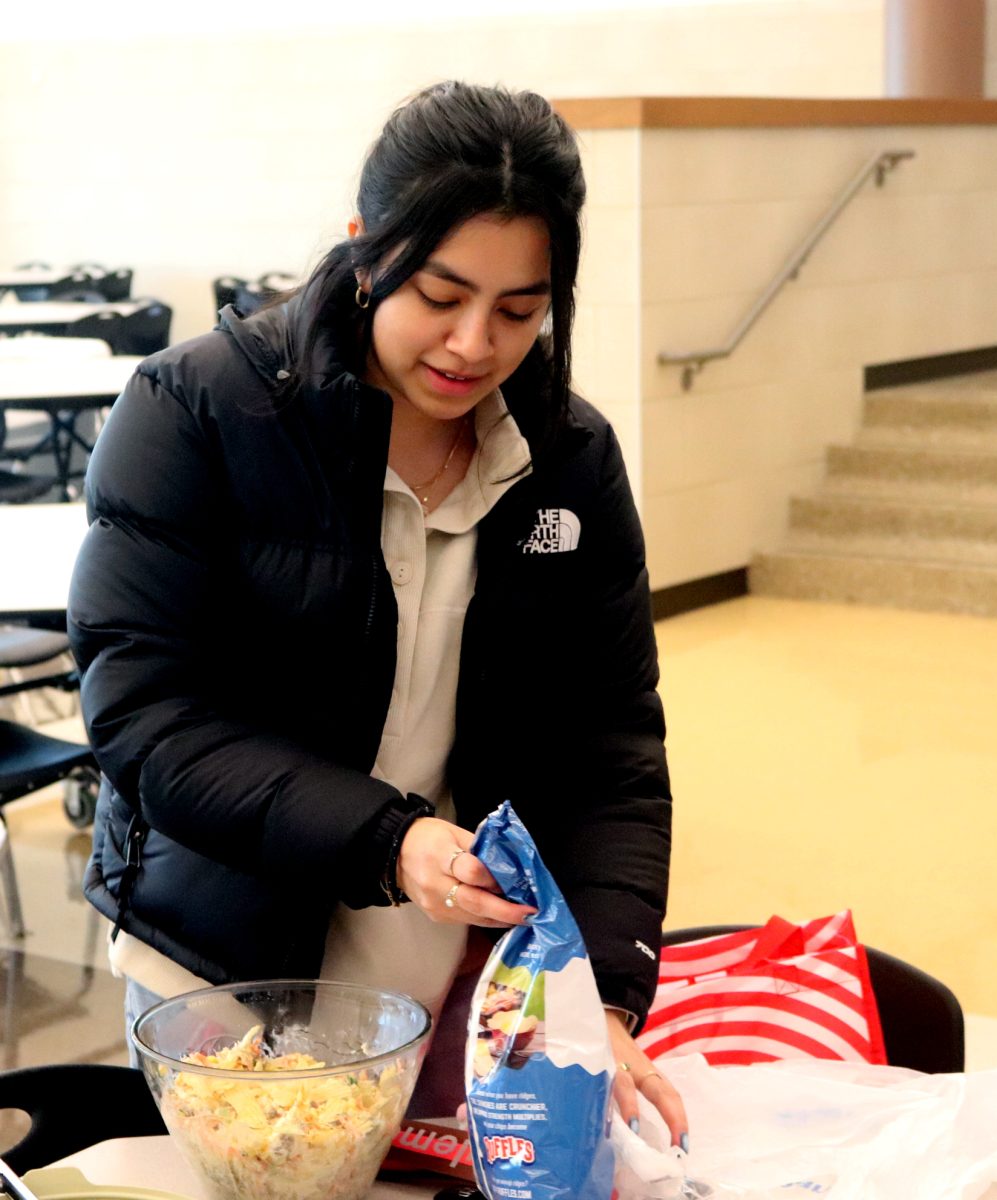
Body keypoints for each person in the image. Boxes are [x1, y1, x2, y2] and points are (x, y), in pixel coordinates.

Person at [68, 80, 686, 1149]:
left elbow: (610, 749)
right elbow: (145, 715)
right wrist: (387, 840)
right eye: (439, 295)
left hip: (457, 977)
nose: (472, 344)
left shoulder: (567, 460)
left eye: (520, 310)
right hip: (227, 954)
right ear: (365, 245)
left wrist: (603, 997)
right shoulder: (198, 411)